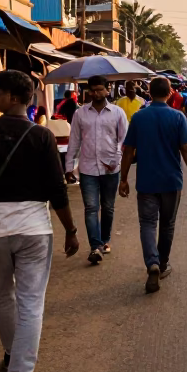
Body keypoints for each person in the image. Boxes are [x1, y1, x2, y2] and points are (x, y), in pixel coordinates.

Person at [0, 70, 80, 372]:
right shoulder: (41, 136)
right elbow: (56, 189)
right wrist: (70, 230)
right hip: (34, 228)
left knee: (3, 295)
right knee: (31, 301)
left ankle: (11, 354)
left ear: (16, 97)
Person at [119, 77, 187, 294]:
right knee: (167, 224)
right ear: (170, 92)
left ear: (149, 92)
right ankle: (162, 264)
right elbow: (186, 148)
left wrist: (123, 178)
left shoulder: (138, 117)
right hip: (171, 181)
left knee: (147, 223)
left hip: (146, 181)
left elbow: (128, 151)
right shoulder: (178, 117)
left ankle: (152, 263)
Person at [64, 76, 129, 265]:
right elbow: (74, 141)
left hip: (111, 168)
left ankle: (105, 239)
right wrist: (69, 167)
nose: (96, 93)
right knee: (91, 208)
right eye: (93, 90)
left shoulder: (117, 113)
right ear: (88, 91)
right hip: (88, 169)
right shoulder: (80, 114)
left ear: (107, 90)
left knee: (108, 207)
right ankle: (95, 246)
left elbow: (124, 140)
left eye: (100, 89)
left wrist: (115, 160)